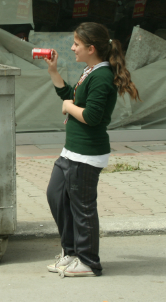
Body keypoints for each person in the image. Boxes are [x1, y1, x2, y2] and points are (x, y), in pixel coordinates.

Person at [44, 22, 139, 277]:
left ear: (91, 48)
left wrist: (68, 108)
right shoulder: (91, 70)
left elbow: (92, 116)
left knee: (82, 209)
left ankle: (88, 262)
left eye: (77, 44)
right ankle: (71, 253)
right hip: (72, 151)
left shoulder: (102, 76)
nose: (73, 48)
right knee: (56, 196)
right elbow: (71, 96)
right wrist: (53, 71)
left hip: (86, 154)